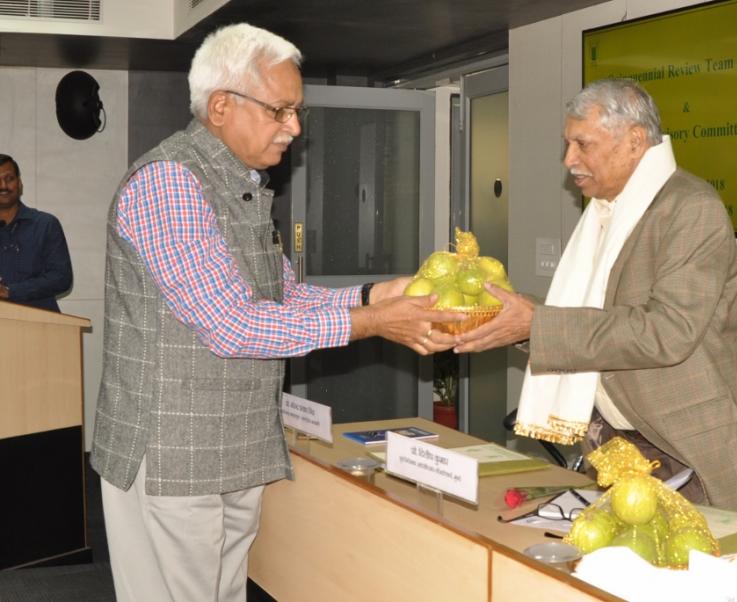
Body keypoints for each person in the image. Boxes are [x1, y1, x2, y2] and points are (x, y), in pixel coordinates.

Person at [91, 23, 461, 602]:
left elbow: (282, 299)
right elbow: (232, 324)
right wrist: (372, 323)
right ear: (221, 106)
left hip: (234, 445)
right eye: (280, 110)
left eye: (296, 111)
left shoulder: (241, 185)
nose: (294, 127)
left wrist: (374, 296)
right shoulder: (170, 183)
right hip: (170, 452)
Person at [455, 78, 737, 514]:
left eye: (582, 144)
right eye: (567, 145)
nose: (569, 160)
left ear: (634, 141)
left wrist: (537, 323)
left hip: (684, 449)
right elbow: (595, 316)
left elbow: (667, 332)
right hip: (614, 446)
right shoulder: (606, 210)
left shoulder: (690, 207)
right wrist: (513, 317)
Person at [0, 154, 73, 312]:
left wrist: (10, 291)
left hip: (40, 322)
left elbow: (62, 278)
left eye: (9, 178)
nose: (3, 186)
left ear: (19, 183)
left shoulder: (45, 224)